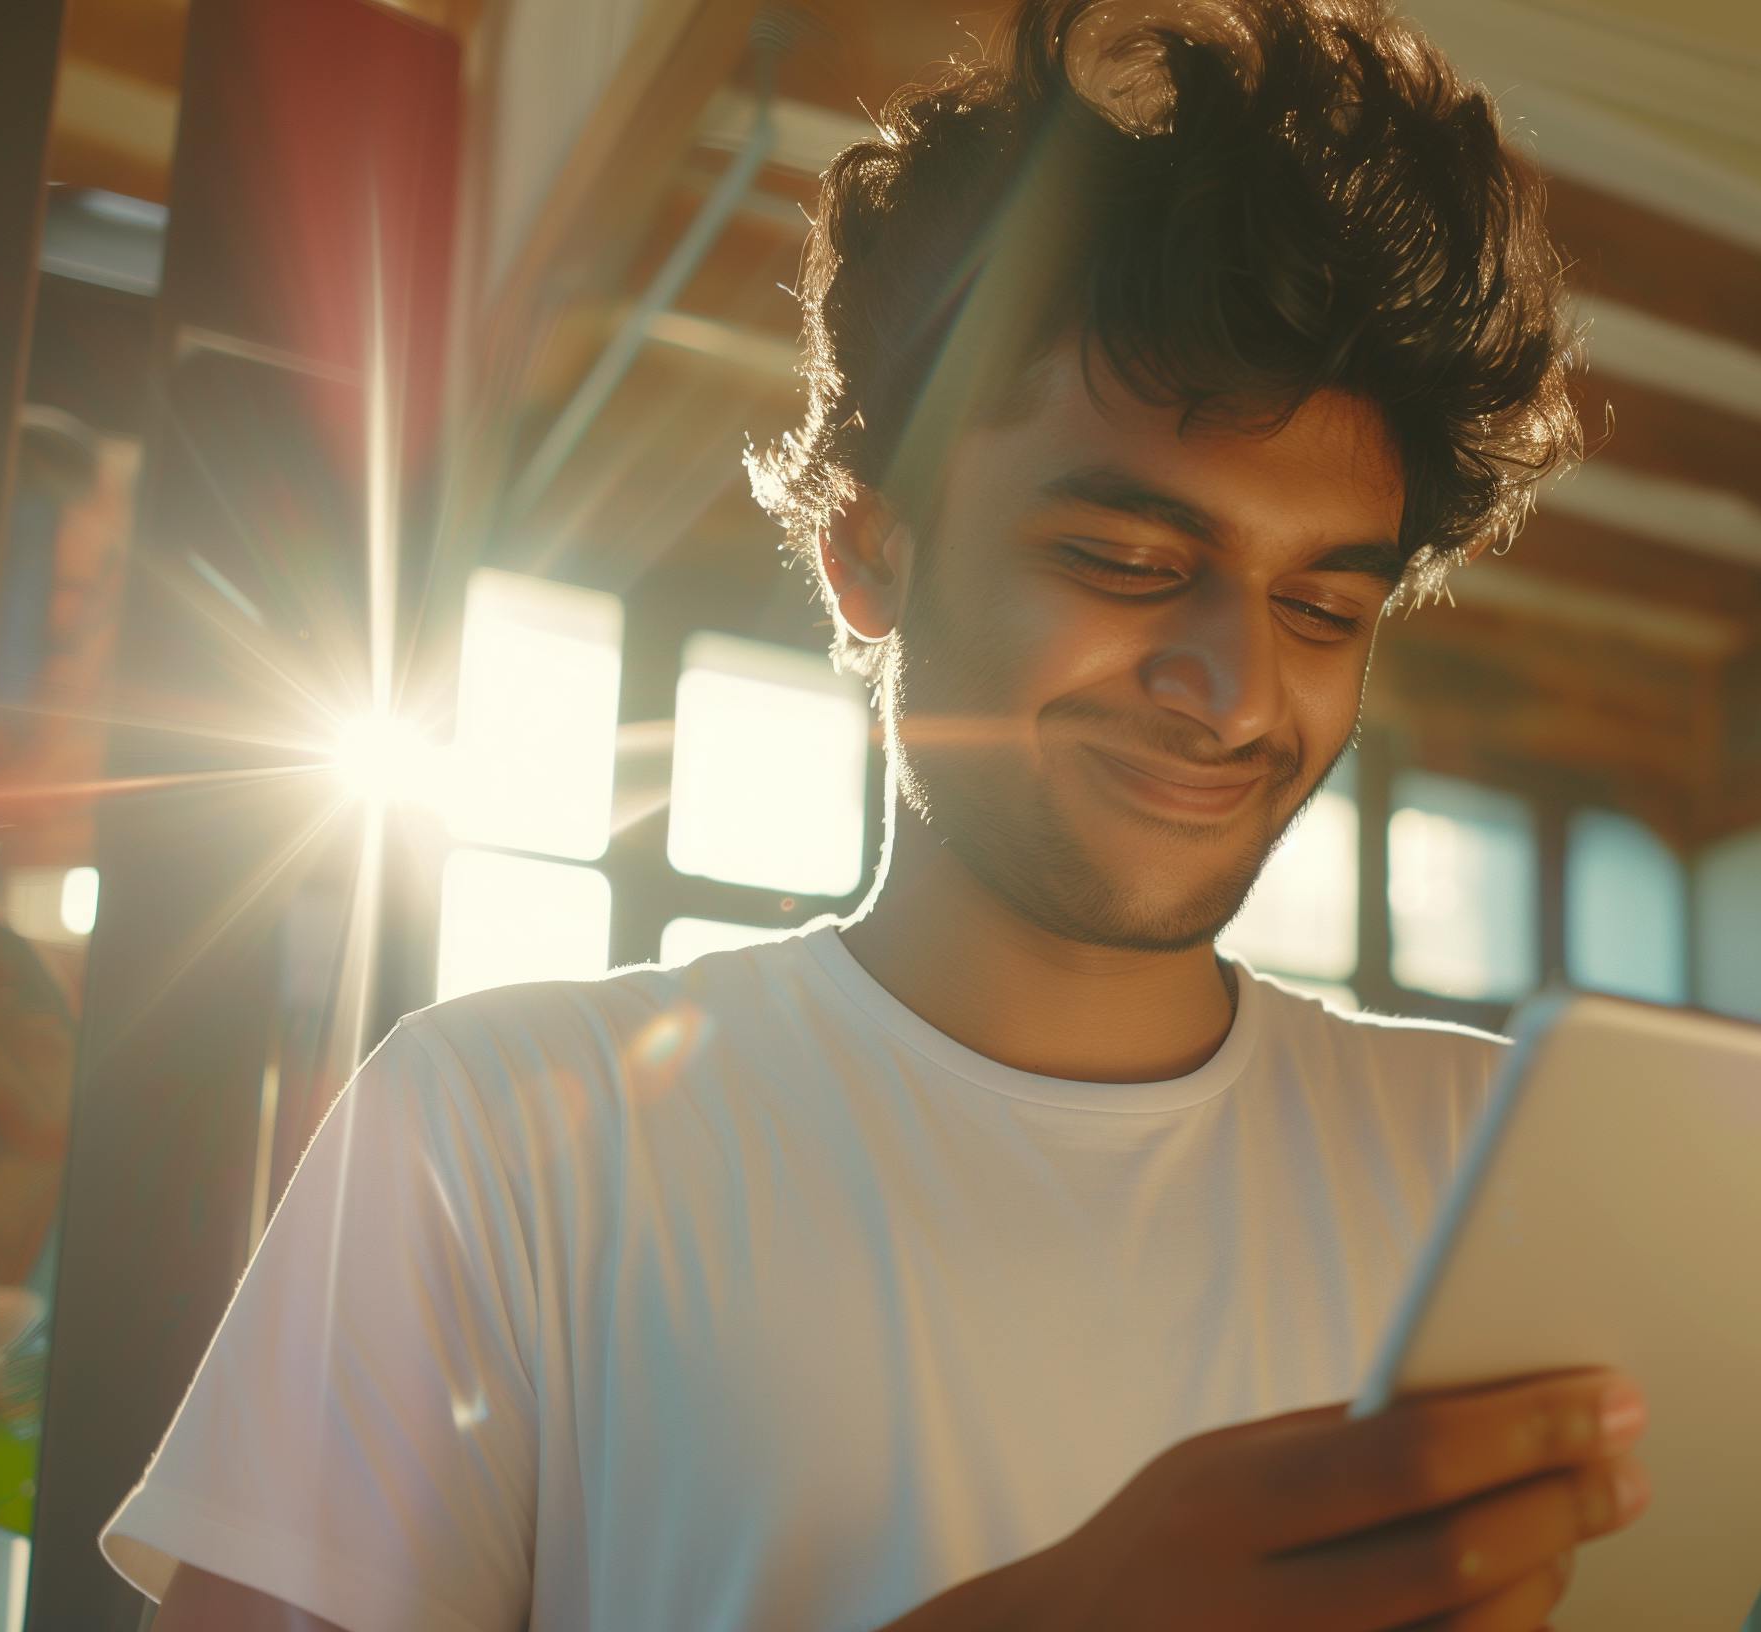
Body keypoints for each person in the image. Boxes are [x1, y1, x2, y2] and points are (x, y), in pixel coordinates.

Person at [111, 2, 1649, 1626]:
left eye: (1325, 611)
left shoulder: (1492, 1166)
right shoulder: (496, 1130)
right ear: (872, 550)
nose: (1239, 688)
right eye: (1127, 565)